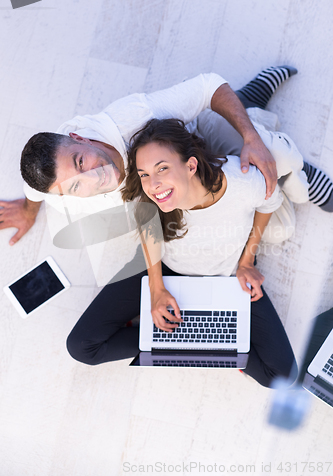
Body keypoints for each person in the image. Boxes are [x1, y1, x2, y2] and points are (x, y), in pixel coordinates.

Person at [66, 117, 299, 388]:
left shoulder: (244, 183)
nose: (153, 185)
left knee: (284, 377)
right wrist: (156, 287)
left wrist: (247, 260)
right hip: (166, 267)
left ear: (190, 165)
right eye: (144, 174)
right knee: (82, 347)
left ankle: (205, 343)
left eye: (162, 168)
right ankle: (194, 341)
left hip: (227, 274)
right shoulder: (154, 196)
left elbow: (269, 202)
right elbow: (148, 224)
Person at [1, 67, 331, 246]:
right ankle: (249, 106)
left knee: (270, 153)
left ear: (77, 137)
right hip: (184, 186)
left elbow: (208, 86)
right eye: (75, 185)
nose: (93, 176)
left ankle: (288, 164)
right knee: (277, 231)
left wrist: (250, 137)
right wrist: (29, 211)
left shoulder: (134, 115)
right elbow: (35, 190)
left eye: (80, 162)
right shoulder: (57, 190)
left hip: (193, 142)